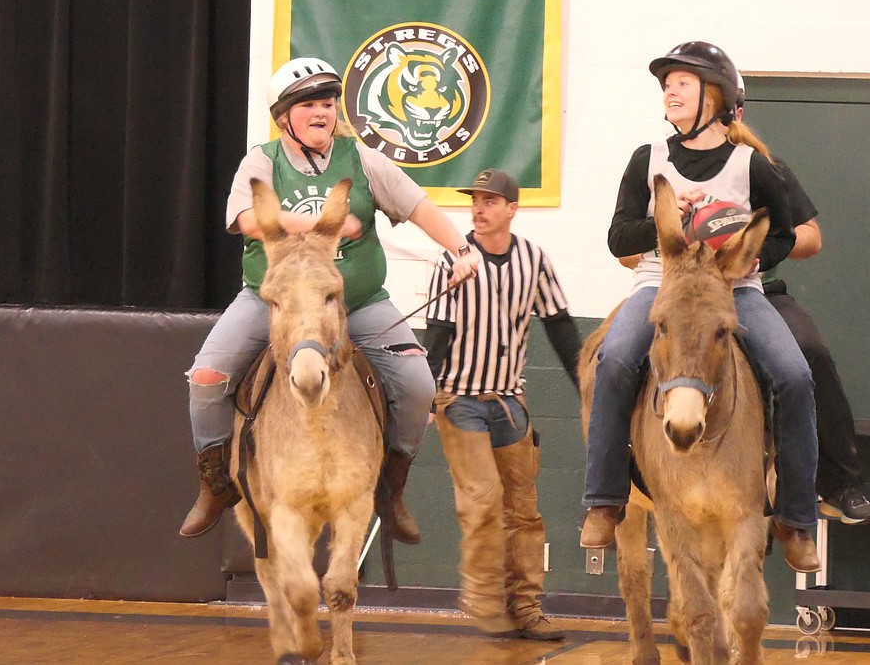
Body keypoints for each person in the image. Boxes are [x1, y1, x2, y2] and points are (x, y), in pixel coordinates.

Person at [179, 56, 483, 541]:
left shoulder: (362, 159)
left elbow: (418, 205)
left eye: (327, 103)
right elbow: (246, 219)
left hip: (356, 302)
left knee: (419, 385)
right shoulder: (263, 160)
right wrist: (324, 224)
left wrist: (462, 248)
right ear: (284, 117)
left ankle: (390, 487)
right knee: (207, 376)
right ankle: (215, 482)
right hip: (271, 301)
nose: (321, 112)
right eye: (308, 105)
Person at [579, 41, 821, 573]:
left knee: (795, 375)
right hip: (659, 284)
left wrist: (744, 249)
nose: (670, 88)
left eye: (683, 80)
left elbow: (784, 236)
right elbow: (620, 238)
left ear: (717, 96)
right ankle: (603, 498)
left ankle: (798, 519)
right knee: (615, 360)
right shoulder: (648, 159)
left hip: (735, 291)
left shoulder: (754, 166)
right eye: (666, 82)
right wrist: (673, 221)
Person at [423, 168, 582, 641]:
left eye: (491, 201)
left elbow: (560, 326)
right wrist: (428, 397)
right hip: (459, 398)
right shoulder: (450, 260)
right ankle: (482, 595)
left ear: (512, 208)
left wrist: (586, 388)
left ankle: (527, 607)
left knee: (525, 512)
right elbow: (437, 332)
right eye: (475, 200)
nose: (479, 207)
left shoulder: (534, 259)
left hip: (510, 401)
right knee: (484, 501)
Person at [729, 77, 870, 525]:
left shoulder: (766, 167)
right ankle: (625, 471)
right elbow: (626, 250)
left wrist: (757, 239)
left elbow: (812, 237)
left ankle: (837, 485)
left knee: (811, 351)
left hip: (760, 292)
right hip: (691, 294)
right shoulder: (667, 166)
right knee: (629, 354)